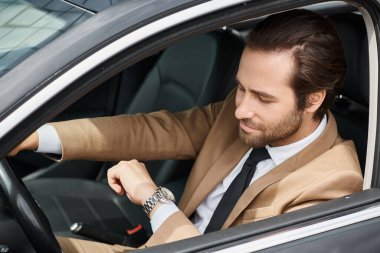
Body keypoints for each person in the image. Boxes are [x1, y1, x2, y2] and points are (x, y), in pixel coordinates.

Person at [10, 9, 363, 253]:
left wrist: (152, 198)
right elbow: (154, 130)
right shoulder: (241, 115)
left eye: (263, 98)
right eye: (241, 87)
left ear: (313, 100)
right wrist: (35, 134)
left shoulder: (332, 184)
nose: (241, 108)